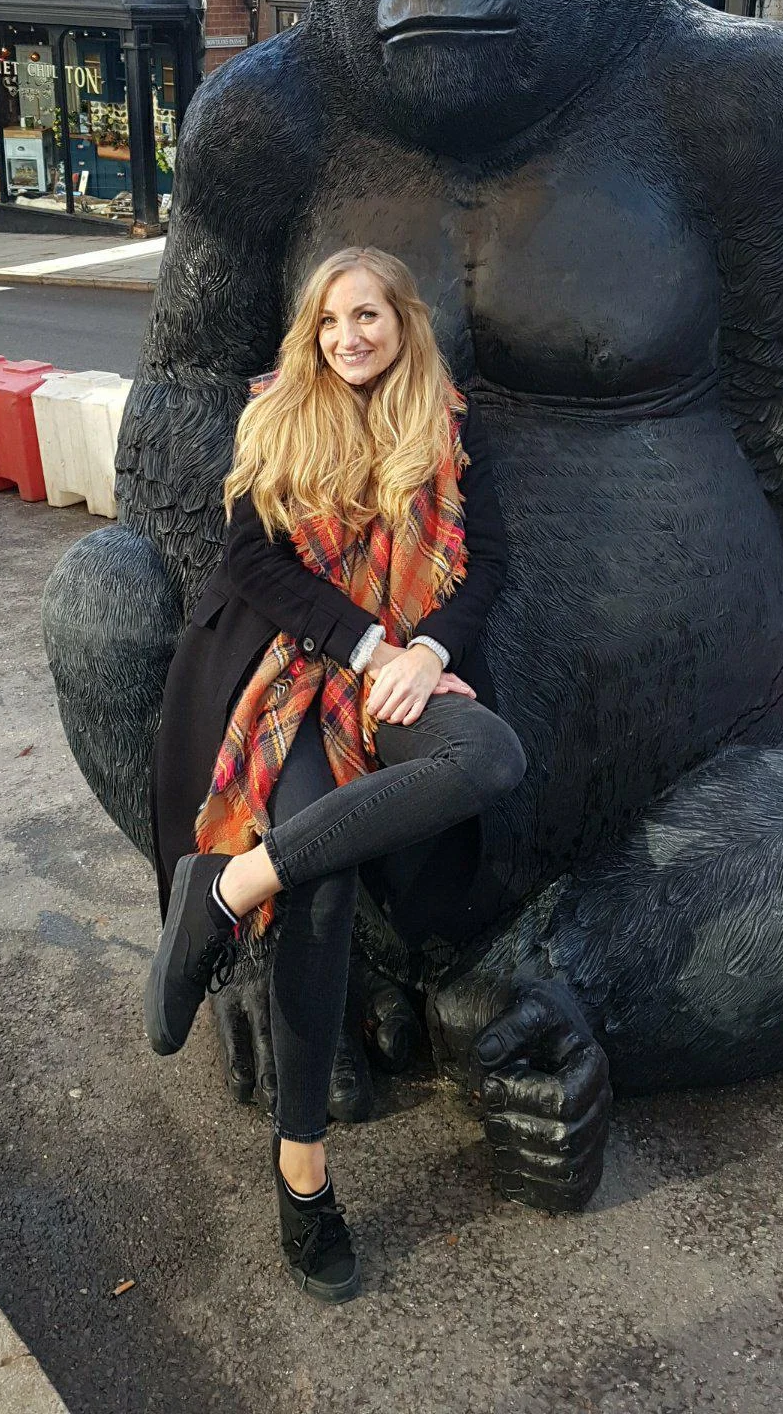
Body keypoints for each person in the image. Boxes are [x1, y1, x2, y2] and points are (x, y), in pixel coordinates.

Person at [144, 246, 526, 1305]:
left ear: (403, 322)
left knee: (490, 754)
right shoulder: (274, 415)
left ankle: (225, 890)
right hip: (293, 668)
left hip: (408, 672)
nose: (348, 336)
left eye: (368, 316)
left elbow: (485, 562)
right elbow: (252, 566)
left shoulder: (447, 425)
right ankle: (302, 1173)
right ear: (309, 333)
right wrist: (369, 648)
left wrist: (431, 654)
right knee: (322, 874)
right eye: (329, 321)